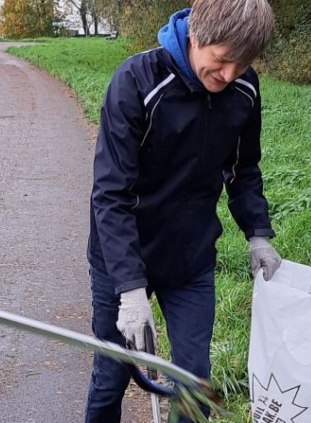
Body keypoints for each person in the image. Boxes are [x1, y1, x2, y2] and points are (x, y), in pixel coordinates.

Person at [84, 0, 279, 421]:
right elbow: (110, 193)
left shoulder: (245, 90)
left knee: (193, 381)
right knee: (112, 373)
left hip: (190, 260)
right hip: (121, 258)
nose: (229, 75)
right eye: (222, 59)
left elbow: (244, 168)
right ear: (197, 35)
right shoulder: (136, 82)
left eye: (242, 64)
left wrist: (257, 233)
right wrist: (130, 287)